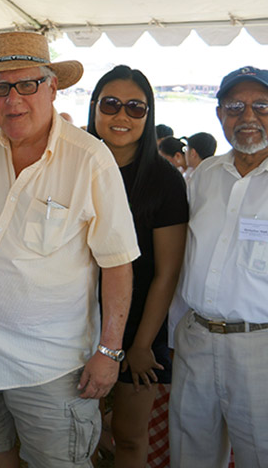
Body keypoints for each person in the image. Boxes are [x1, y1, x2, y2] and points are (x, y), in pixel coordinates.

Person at [0, 32, 139, 468]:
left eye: (27, 85)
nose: (13, 99)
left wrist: (109, 351)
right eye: (0, 87)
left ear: (53, 88)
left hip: (52, 365)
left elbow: (118, 264)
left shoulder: (90, 158)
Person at [86, 65, 188, 466]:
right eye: (110, 104)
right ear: (94, 108)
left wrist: (143, 343)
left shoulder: (165, 180)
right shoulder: (72, 165)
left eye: (135, 107)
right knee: (83, 430)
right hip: (74, 318)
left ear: (149, 115)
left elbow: (167, 272)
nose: (121, 116)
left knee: (129, 437)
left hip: (141, 323)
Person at [170, 66, 268, 467]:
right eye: (234, 106)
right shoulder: (204, 175)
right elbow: (185, 256)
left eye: (261, 105)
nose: (248, 116)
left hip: (259, 349)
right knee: (190, 455)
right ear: (219, 115)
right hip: (196, 338)